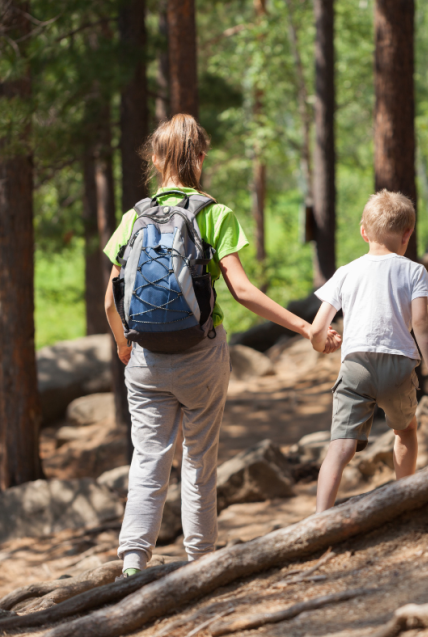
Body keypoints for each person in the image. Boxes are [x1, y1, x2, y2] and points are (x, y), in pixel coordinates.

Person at [103, 113, 339, 577]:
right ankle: (200, 562)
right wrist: (305, 326)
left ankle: (133, 563)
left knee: (148, 460)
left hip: (145, 359)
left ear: (154, 158)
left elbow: (110, 301)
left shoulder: (133, 217)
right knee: (199, 460)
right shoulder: (213, 213)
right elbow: (244, 291)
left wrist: (123, 347)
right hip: (200, 358)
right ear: (201, 158)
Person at [310, 190, 428, 512]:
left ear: (363, 231)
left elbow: (317, 329)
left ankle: (319, 520)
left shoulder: (346, 272)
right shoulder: (414, 272)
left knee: (340, 449)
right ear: (408, 234)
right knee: (406, 431)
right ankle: (404, 501)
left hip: (356, 364)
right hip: (400, 366)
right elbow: (422, 326)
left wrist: (322, 344)